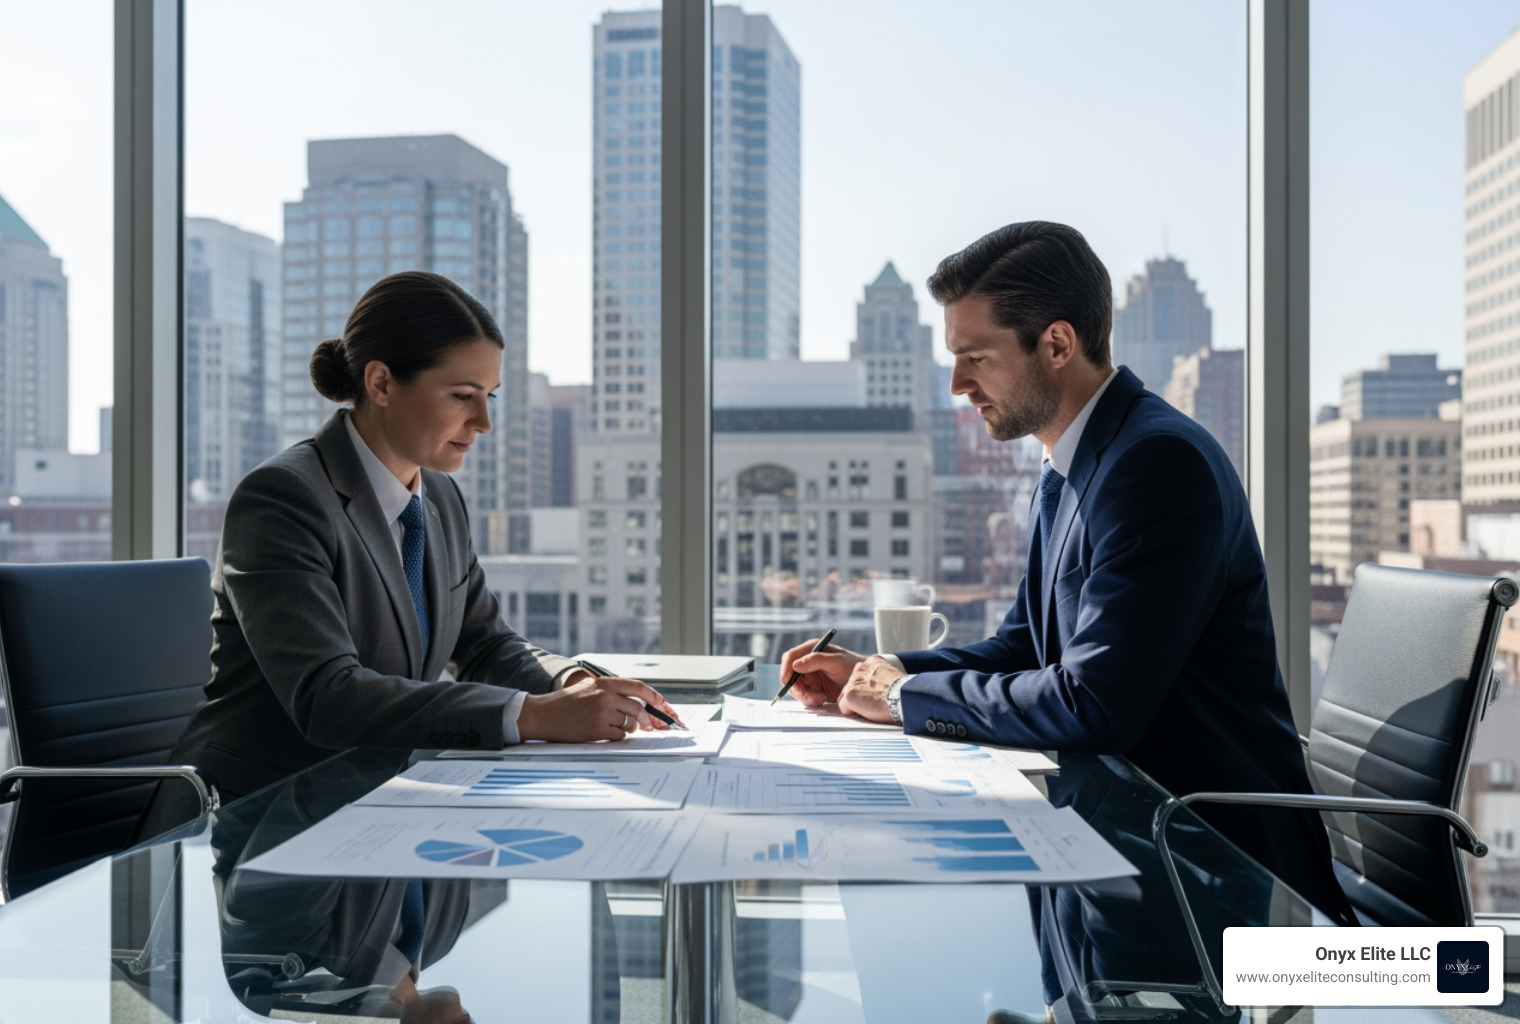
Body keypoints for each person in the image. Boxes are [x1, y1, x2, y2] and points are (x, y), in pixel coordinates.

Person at [780, 222, 1354, 923]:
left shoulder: (1155, 465)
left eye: (976, 358)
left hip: (1212, 874)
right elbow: (1024, 648)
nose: (959, 385)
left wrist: (906, 697)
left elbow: (1096, 702)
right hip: (1125, 848)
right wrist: (883, 668)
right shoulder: (1072, 464)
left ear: (1056, 344)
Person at [142, 271, 675, 832]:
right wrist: (533, 715)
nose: (484, 422)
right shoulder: (283, 498)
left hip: (382, 803)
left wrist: (569, 684)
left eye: (488, 397)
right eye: (463, 397)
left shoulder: (440, 495)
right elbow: (329, 698)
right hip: (264, 816)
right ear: (381, 383)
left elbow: (485, 643)